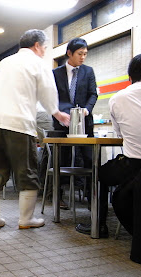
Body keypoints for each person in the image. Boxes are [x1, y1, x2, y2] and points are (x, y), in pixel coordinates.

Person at [75, 53, 141, 264]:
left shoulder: (119, 97)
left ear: (131, 75)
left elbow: (120, 136)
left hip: (135, 164)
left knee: (101, 174)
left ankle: (100, 225)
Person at [0, 29, 70, 231]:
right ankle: (26, 219)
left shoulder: (4, 62)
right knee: (27, 173)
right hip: (20, 126)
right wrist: (56, 112)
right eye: (45, 47)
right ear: (37, 46)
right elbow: (48, 91)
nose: (44, 51)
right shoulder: (38, 63)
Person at [52, 37, 97, 206]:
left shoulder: (88, 71)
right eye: (80, 53)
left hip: (84, 122)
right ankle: (59, 195)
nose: (83, 57)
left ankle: (89, 194)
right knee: (61, 158)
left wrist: (87, 109)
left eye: (85, 54)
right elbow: (52, 97)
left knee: (88, 157)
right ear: (69, 53)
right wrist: (60, 113)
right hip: (62, 122)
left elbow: (93, 94)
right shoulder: (56, 73)